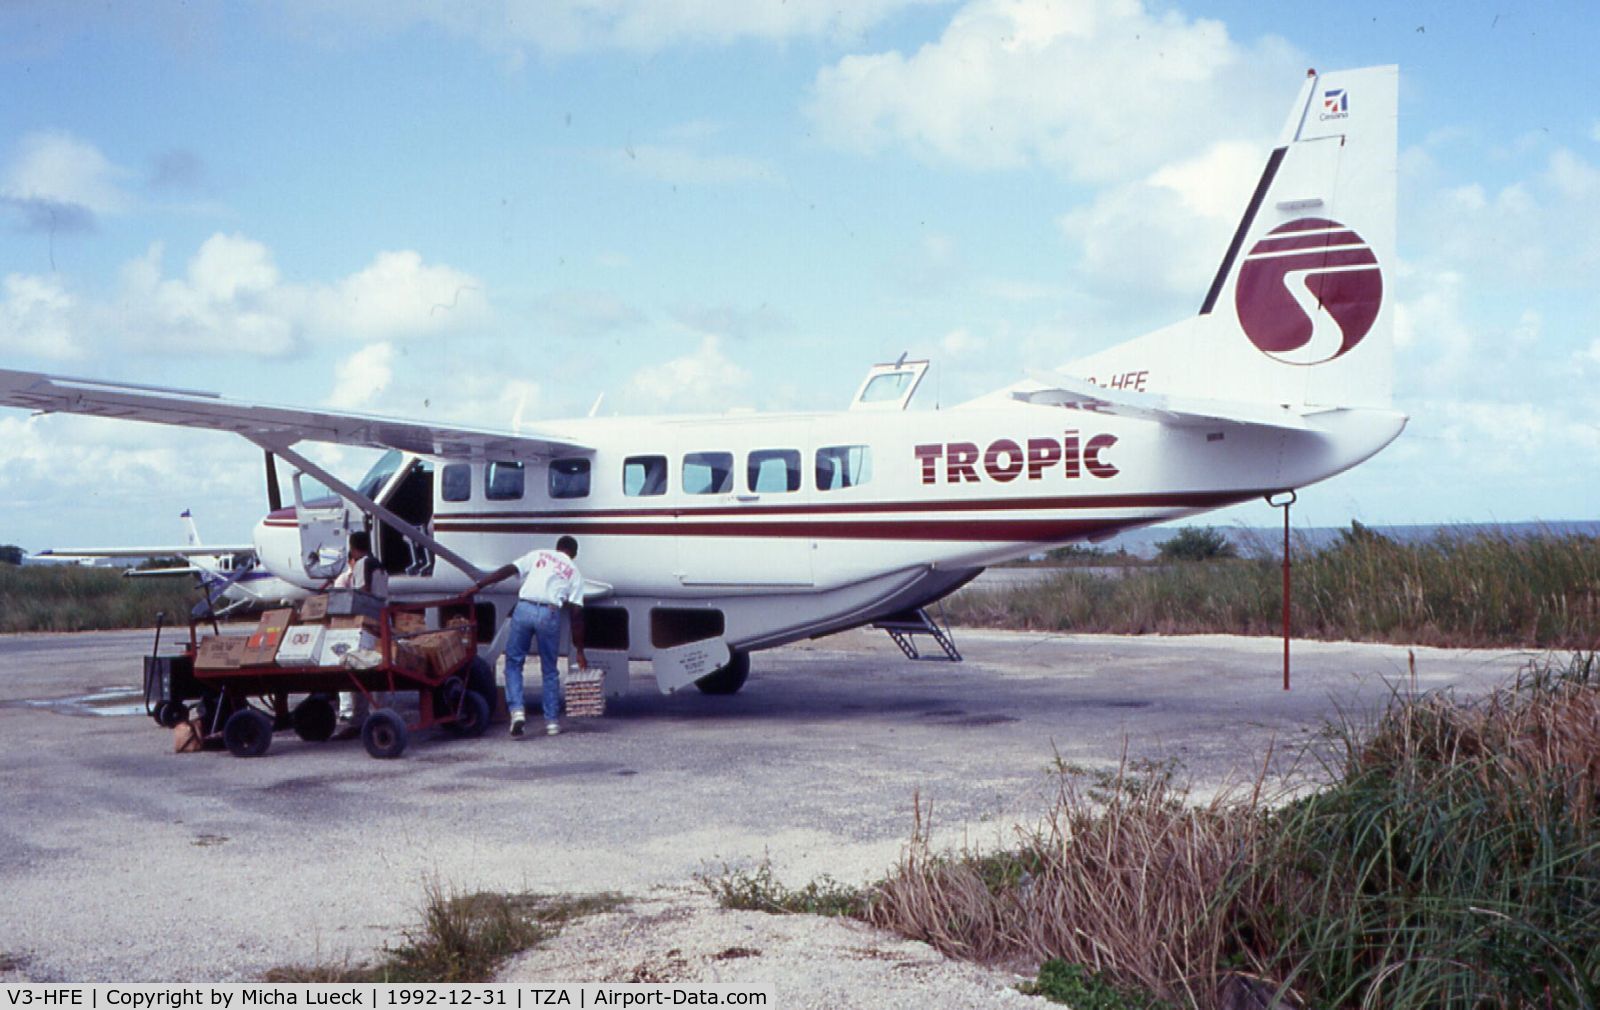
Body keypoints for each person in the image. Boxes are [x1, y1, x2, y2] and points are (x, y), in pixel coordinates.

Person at [475, 535, 588, 737]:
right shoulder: (575, 572)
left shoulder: (539, 554)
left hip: (524, 607)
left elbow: (509, 570)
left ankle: (517, 711)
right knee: (550, 669)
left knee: (514, 662)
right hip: (549, 612)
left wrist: (480, 585)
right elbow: (576, 614)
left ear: (557, 548)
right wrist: (579, 650)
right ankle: (552, 722)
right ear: (574, 554)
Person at [328, 531, 388, 736]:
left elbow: (362, 591)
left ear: (353, 547)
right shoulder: (378, 564)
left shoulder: (362, 563)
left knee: (360, 666)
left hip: (368, 618)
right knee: (379, 665)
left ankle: (361, 717)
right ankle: (380, 711)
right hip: (383, 615)